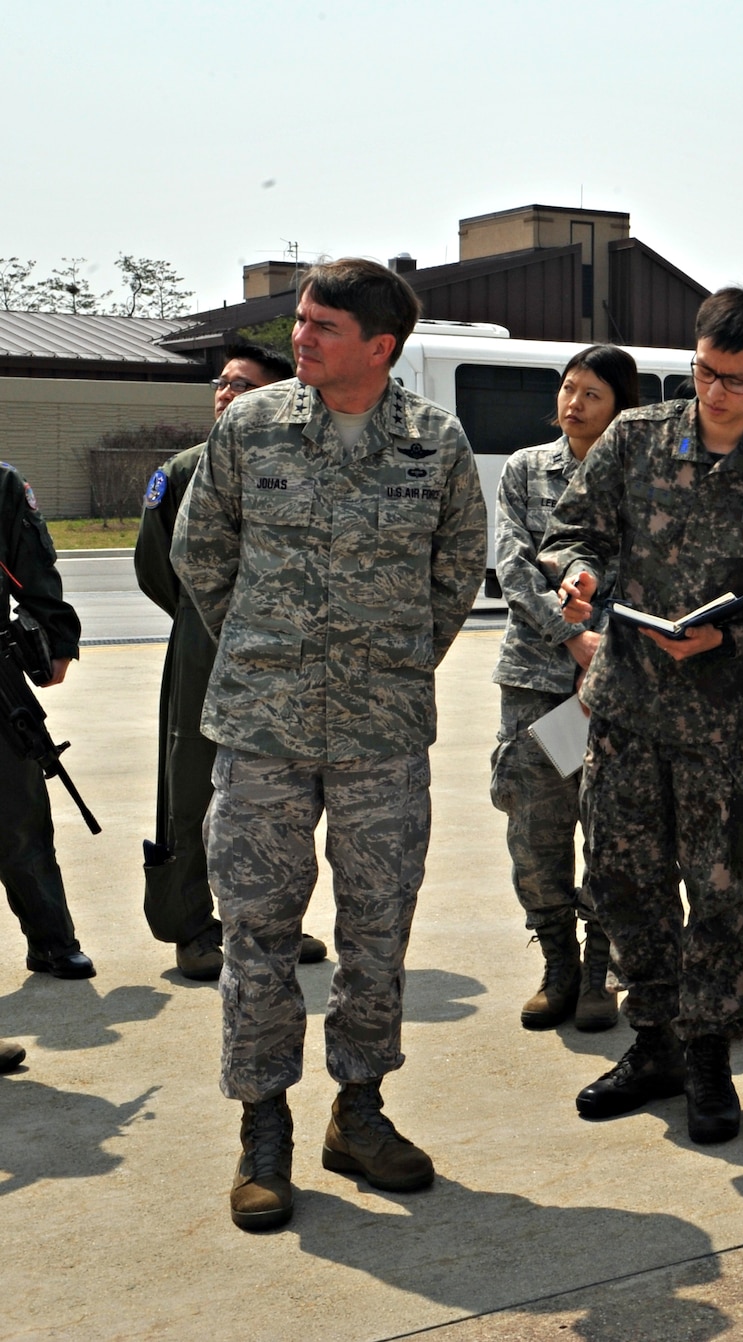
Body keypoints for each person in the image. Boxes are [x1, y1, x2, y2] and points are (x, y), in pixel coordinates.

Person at [173, 258, 488, 1232]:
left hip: (381, 736)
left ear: (380, 347)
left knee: (377, 929)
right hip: (262, 730)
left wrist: (392, 663)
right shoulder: (250, 426)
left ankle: (359, 1111)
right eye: (301, 320)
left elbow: (458, 569)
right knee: (256, 934)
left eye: (322, 326)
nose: (300, 338)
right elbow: (200, 548)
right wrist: (262, 647)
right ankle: (262, 1126)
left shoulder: (434, 442)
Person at [540, 287, 743, 1145]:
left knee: (719, 895)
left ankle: (707, 1054)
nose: (716, 393)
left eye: (738, 381)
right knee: (625, 883)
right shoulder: (635, 437)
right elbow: (574, 530)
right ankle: (654, 1041)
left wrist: (728, 635)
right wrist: (580, 578)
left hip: (724, 727)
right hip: (626, 710)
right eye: (705, 372)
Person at [135, 345, 328, 981]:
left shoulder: (306, 464)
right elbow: (156, 569)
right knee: (191, 785)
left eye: (241, 386)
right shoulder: (184, 470)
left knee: (280, 792)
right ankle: (190, 926)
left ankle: (272, 922)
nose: (224, 394)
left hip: (285, 654)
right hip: (204, 651)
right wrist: (210, 622)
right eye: (220, 383)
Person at [489, 344, 639, 1033]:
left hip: (616, 683)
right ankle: (558, 965)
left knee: (613, 830)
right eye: (568, 388)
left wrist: (603, 651)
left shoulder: (638, 476)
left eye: (592, 394)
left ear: (620, 407)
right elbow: (512, 564)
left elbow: (648, 575)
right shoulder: (526, 469)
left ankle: (600, 967)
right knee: (535, 829)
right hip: (536, 677)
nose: (573, 404)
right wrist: (570, 635)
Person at [1, 459, 90, 980]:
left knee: (19, 815)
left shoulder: (0, 484)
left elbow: (30, 565)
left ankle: (52, 941)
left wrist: (56, 638)